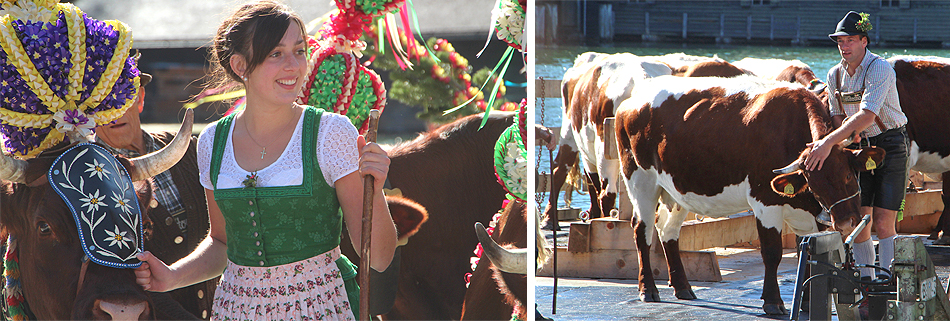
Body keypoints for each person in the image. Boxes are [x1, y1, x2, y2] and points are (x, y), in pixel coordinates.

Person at [132, 1, 398, 320]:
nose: (294, 65)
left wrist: (376, 189)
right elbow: (221, 243)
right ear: (241, 65)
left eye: (299, 51)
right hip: (237, 310)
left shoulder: (332, 133)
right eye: (276, 54)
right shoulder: (212, 142)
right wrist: (172, 276)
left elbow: (378, 258)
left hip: (320, 307)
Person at [95, 71, 218, 319]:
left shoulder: (191, 150)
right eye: (98, 103)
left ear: (139, 99)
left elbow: (225, 239)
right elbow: (120, 276)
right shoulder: (90, 181)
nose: (112, 112)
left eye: (120, 97)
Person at [805, 11, 908, 280]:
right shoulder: (834, 74)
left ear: (864, 41)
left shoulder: (880, 68)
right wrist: (848, 137)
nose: (844, 46)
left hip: (890, 144)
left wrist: (828, 142)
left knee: (884, 222)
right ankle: (865, 280)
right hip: (856, 148)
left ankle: (886, 280)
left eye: (850, 40)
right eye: (840, 41)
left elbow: (867, 115)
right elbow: (837, 114)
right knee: (861, 219)